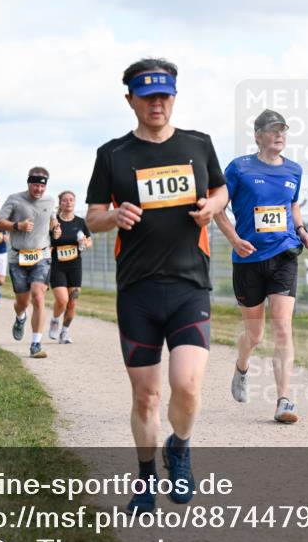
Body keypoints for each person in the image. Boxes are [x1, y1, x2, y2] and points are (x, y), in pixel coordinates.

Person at [86, 57, 228, 514]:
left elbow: (223, 191)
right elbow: (92, 216)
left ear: (174, 97)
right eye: (147, 96)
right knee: (146, 395)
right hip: (139, 291)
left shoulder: (199, 144)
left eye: (164, 95)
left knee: (186, 386)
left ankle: (180, 448)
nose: (157, 104)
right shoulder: (113, 155)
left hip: (189, 284)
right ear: (130, 100)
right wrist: (114, 215)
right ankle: (146, 480)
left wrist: (212, 206)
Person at [215, 109, 308, 424]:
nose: (279, 135)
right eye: (273, 130)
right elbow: (217, 207)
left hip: (284, 253)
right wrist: (233, 239)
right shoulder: (239, 168)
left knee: (283, 327)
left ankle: (284, 400)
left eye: (283, 130)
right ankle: (241, 367)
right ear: (257, 135)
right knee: (255, 334)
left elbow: (293, 204)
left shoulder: (294, 170)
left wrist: (301, 230)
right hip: (248, 259)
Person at [0, 167, 61, 358]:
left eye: (42, 186)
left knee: (38, 296)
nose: (38, 189)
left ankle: (35, 344)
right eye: (35, 185)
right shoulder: (14, 199)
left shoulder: (50, 201)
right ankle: (20, 316)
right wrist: (18, 226)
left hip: (41, 256)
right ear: (29, 183)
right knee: (22, 303)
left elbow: (52, 219)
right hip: (18, 257)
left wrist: (56, 228)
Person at [48, 191, 92, 344]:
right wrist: (53, 238)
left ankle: (64, 332)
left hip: (75, 266)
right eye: (65, 200)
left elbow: (89, 241)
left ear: (74, 202)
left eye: (71, 200)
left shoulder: (81, 222)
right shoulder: (54, 222)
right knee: (62, 300)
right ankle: (54, 320)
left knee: (72, 302)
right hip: (57, 266)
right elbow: (46, 243)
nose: (68, 202)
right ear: (60, 203)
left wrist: (86, 243)